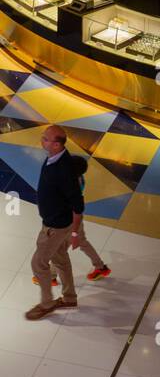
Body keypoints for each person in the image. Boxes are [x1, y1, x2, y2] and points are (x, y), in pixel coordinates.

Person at [25, 125, 83, 320]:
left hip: (55, 227)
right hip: (58, 222)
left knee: (38, 263)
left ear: (57, 144)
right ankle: (69, 298)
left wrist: (75, 233)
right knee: (60, 259)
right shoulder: (54, 157)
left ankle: (47, 303)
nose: (42, 141)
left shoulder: (64, 169)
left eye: (45, 139)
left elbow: (78, 203)